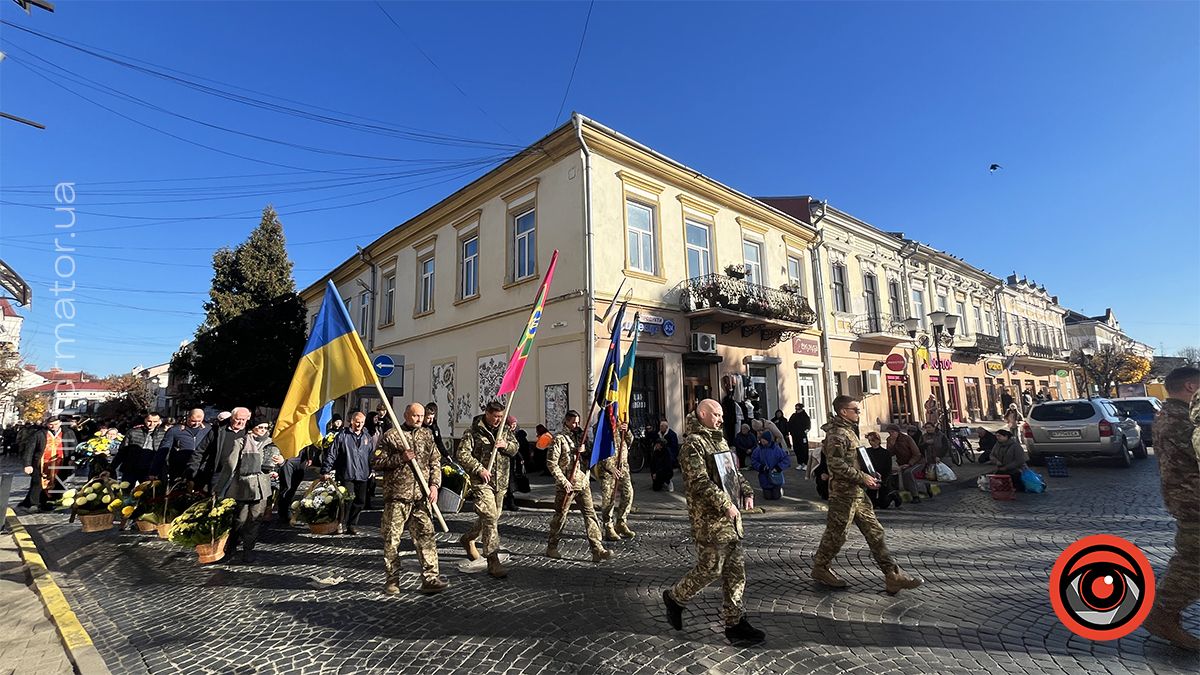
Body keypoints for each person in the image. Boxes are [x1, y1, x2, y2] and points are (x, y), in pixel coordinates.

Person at [662, 399, 764, 645]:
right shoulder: (693, 445)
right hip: (709, 521)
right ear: (703, 414)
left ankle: (735, 623)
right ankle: (675, 598)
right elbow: (698, 482)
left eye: (721, 415)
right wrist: (725, 502)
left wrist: (746, 491)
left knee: (736, 573)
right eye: (716, 414)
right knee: (710, 569)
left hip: (731, 520)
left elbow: (733, 473)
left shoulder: (719, 439)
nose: (721, 419)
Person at [811, 395, 923, 594]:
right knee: (837, 534)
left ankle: (892, 574)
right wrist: (862, 477)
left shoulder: (849, 431)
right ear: (843, 411)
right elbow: (836, 465)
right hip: (842, 494)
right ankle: (820, 567)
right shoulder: (837, 434)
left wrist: (870, 473)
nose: (859, 413)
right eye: (855, 409)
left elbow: (855, 458)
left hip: (858, 492)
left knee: (875, 531)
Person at [1142, 367, 1200, 650]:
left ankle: (1164, 614)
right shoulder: (1182, 421)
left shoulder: (1173, 415)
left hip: (1188, 500)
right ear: (1191, 387)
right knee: (1193, 564)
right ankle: (1161, 615)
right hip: (1195, 503)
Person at [371, 402, 447, 595]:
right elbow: (376, 462)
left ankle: (430, 578)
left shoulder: (426, 435)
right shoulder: (392, 436)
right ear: (406, 415)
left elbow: (435, 461)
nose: (419, 419)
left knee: (426, 538)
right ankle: (392, 579)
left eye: (421, 416)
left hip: (421, 497)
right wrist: (400, 459)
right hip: (397, 497)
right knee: (392, 539)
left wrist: (434, 485)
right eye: (415, 416)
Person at [186, 409, 278, 563]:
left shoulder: (270, 443)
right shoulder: (239, 441)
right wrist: (218, 488)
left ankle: (248, 549)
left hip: (261, 489)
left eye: (265, 428)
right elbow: (229, 466)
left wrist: (279, 464)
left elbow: (275, 462)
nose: (262, 430)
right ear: (253, 428)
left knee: (255, 519)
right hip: (241, 485)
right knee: (239, 519)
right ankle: (232, 544)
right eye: (259, 427)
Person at [456, 401, 518, 578]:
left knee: (492, 517)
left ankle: (468, 538)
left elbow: (515, 448)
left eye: (501, 416)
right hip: (482, 482)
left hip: (500, 482)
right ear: (487, 414)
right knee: (490, 517)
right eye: (496, 416)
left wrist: (506, 445)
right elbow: (462, 454)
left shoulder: (505, 430)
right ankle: (493, 559)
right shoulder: (473, 431)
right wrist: (479, 469)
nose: (498, 420)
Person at [543, 410, 612, 562]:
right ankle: (552, 546)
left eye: (577, 422)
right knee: (560, 517)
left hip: (582, 482)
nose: (576, 425)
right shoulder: (558, 439)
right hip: (566, 485)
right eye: (573, 422)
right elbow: (551, 464)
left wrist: (584, 450)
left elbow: (589, 457)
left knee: (590, 515)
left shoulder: (581, 437)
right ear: (566, 422)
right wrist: (563, 481)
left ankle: (597, 548)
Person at [322, 411, 376, 535]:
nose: (359, 424)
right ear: (352, 421)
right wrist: (326, 469)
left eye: (362, 422)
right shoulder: (342, 435)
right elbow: (332, 453)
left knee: (360, 501)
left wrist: (372, 469)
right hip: (347, 473)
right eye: (357, 422)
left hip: (362, 474)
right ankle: (341, 522)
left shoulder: (367, 437)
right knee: (347, 499)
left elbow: (371, 455)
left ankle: (352, 524)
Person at [598, 419, 636, 541]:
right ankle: (608, 526)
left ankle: (621, 522)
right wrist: (610, 467)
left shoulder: (621, 430)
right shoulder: (604, 428)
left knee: (628, 493)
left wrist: (627, 431)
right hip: (608, 470)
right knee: (609, 499)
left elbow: (629, 442)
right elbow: (600, 451)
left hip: (623, 467)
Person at [151, 408, 210, 483]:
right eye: (193, 421)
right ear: (188, 418)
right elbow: (163, 450)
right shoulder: (175, 431)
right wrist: (154, 471)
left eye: (199, 421)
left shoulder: (208, 430)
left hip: (200, 469)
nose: (196, 424)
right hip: (179, 469)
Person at [19, 417, 63, 511]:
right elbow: (29, 449)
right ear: (47, 424)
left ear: (60, 423)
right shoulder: (39, 434)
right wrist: (27, 464)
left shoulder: (66, 434)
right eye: (51, 424)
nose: (53, 426)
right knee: (37, 484)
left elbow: (72, 446)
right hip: (40, 463)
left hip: (58, 464)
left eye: (55, 424)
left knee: (54, 484)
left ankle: (46, 503)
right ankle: (33, 504)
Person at [114, 412, 165, 485]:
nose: (152, 424)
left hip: (150, 469)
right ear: (145, 420)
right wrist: (110, 468)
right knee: (126, 492)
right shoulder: (133, 432)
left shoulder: (163, 434)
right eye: (149, 421)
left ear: (159, 421)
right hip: (131, 468)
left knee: (148, 494)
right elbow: (122, 451)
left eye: (155, 422)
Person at [886, 424, 923, 503]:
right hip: (902, 463)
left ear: (897, 432)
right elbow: (889, 454)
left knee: (908, 473)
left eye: (893, 432)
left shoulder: (907, 439)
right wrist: (892, 445)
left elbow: (917, 454)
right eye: (889, 432)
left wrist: (910, 463)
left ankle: (915, 496)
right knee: (892, 474)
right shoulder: (889, 440)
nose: (891, 434)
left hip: (916, 461)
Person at [750, 430, 790, 500]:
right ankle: (767, 490)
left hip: (775, 474)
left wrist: (778, 467)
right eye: (762, 439)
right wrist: (760, 467)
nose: (762, 441)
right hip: (764, 475)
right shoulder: (758, 450)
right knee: (767, 497)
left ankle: (779, 490)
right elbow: (753, 460)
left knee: (776, 497)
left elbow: (786, 459)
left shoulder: (777, 449)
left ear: (768, 440)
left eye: (764, 440)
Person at [864, 431, 899, 510]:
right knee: (872, 503)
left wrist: (882, 481)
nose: (871, 443)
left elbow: (888, 469)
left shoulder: (885, 453)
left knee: (883, 504)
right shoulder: (867, 451)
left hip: (883, 479)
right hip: (872, 478)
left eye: (873, 440)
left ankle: (893, 495)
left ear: (878, 440)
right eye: (869, 441)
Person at [502, 415, 524, 512]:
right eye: (512, 424)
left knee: (510, 484)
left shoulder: (515, 433)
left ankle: (510, 503)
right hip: (503, 462)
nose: (514, 426)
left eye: (515, 424)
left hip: (512, 462)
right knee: (505, 485)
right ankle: (506, 503)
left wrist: (520, 458)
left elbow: (517, 448)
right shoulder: (503, 433)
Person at [787, 403, 812, 467]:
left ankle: (806, 463)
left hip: (802, 435)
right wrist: (790, 431)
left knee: (804, 448)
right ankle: (800, 462)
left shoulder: (805, 416)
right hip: (795, 435)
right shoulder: (794, 416)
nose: (797, 410)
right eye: (796, 408)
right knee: (797, 448)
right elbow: (789, 424)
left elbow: (808, 425)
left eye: (798, 408)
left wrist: (805, 432)